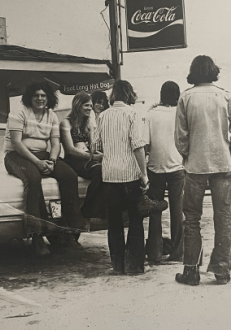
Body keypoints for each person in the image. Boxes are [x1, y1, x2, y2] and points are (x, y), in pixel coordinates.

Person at [174, 55, 231, 286]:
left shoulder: (185, 97)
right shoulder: (225, 96)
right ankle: (222, 271)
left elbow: (181, 136)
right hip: (223, 164)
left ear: (193, 72)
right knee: (222, 218)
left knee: (192, 217)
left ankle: (191, 271)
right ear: (214, 71)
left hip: (196, 165)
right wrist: (230, 147)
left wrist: (187, 154)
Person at [91, 80, 167, 275]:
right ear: (129, 94)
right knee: (135, 220)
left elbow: (96, 146)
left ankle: (117, 265)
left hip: (109, 176)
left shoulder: (102, 116)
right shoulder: (133, 114)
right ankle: (135, 265)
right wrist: (143, 175)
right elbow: (138, 146)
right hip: (130, 175)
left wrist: (110, 154)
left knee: (114, 222)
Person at [4, 81, 87, 257]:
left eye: (43, 95)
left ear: (49, 98)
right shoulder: (18, 113)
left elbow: (55, 144)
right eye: (36, 95)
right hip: (16, 156)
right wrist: (37, 162)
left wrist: (52, 160)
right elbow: (17, 143)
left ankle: (70, 231)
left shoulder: (52, 116)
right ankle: (36, 235)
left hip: (43, 155)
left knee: (69, 175)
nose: (40, 99)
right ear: (29, 98)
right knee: (33, 179)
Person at [144, 81, 185, 263]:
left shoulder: (151, 114)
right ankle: (178, 252)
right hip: (177, 166)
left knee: (155, 209)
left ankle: (154, 253)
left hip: (155, 167)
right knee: (177, 210)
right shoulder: (180, 114)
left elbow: (146, 143)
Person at [60, 91, 107, 220]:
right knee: (99, 170)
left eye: (91, 106)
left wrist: (101, 155)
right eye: (86, 105)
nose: (89, 108)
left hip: (86, 157)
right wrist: (93, 157)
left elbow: (92, 146)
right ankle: (87, 209)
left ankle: (93, 209)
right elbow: (69, 149)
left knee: (108, 169)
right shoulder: (66, 123)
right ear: (78, 105)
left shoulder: (88, 123)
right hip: (73, 159)